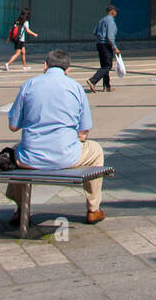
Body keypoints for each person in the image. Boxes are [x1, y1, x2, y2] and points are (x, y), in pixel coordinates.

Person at [7, 49, 106, 225]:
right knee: (96, 150)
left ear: (45, 66)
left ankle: (21, 209)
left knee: (16, 151)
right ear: (68, 70)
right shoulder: (75, 88)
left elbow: (13, 126)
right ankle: (93, 209)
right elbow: (84, 132)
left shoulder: (29, 85)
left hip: (30, 158)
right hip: (66, 156)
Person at [87, 5, 120, 93]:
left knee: (104, 65)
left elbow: (95, 32)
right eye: (115, 11)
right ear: (112, 11)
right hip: (106, 44)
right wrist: (114, 47)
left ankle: (106, 86)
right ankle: (92, 80)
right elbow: (110, 36)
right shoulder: (111, 21)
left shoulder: (101, 20)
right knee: (107, 66)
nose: (116, 13)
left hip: (99, 44)